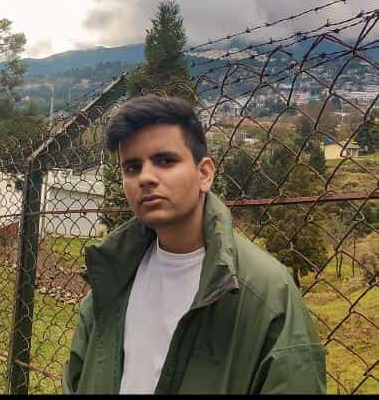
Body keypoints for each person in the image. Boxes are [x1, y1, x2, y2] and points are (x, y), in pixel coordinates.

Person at [62, 94, 326, 394]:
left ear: (204, 174)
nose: (145, 178)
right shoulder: (112, 279)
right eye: (132, 167)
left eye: (165, 161)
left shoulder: (267, 292)